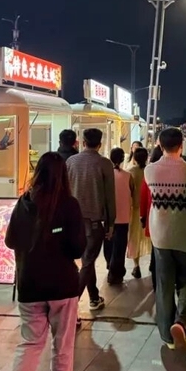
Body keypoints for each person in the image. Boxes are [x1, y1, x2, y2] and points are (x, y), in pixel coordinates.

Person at [1, 153, 86, 371]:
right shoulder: (69, 204)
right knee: (62, 344)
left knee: (30, 343)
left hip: (29, 285)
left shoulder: (24, 203)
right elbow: (77, 248)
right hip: (62, 286)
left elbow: (10, 241)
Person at [144, 128, 186, 351]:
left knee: (164, 285)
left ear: (160, 145)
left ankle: (167, 337)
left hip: (161, 238)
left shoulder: (150, 170)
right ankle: (181, 322)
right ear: (181, 146)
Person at [66, 128, 116, 312]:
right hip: (94, 222)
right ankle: (72, 304)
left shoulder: (71, 162)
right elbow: (109, 196)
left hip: (73, 221)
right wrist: (110, 223)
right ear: (100, 144)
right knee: (88, 262)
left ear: (83, 142)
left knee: (88, 261)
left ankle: (94, 297)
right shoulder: (104, 163)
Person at [104, 147, 134, 284]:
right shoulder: (128, 176)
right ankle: (117, 272)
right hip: (124, 216)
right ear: (122, 159)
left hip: (109, 217)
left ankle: (110, 266)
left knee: (108, 244)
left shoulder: (106, 175)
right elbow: (132, 193)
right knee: (120, 246)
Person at [140, 145, 164, 289]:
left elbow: (143, 196)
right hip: (166, 218)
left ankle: (155, 279)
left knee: (155, 248)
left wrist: (142, 216)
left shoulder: (149, 172)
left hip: (152, 215)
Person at [126, 147, 152, 279]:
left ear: (134, 158)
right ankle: (152, 264)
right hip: (149, 209)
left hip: (135, 209)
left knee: (134, 237)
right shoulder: (150, 171)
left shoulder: (130, 172)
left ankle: (136, 266)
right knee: (150, 237)